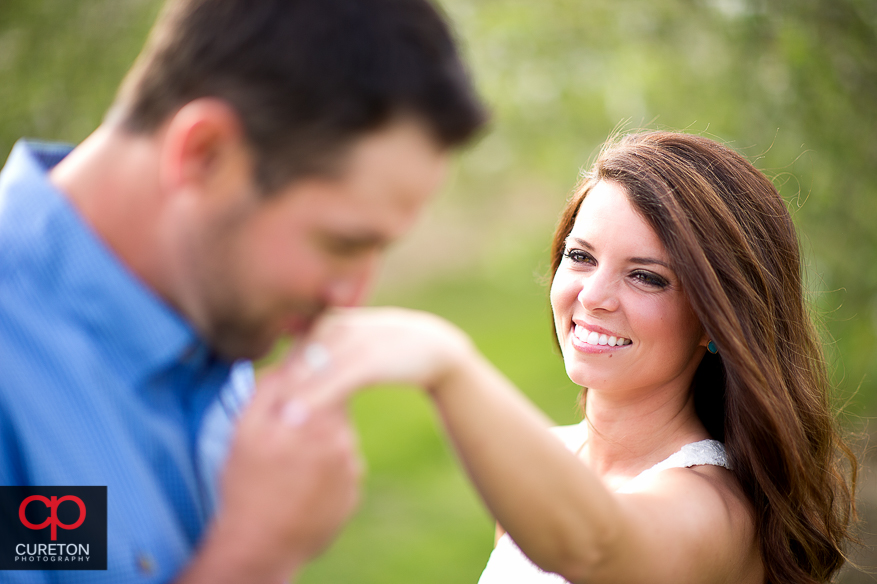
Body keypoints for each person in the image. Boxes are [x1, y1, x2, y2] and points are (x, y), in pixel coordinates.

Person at [0, 0, 486, 582]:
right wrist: (256, 552)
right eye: (341, 243)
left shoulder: (205, 307)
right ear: (205, 154)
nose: (351, 296)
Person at [288, 131, 857, 583]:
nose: (592, 297)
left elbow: (591, 548)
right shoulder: (552, 463)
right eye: (580, 257)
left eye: (645, 277)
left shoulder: (715, 511)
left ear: (716, 321)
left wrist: (448, 364)